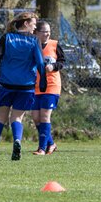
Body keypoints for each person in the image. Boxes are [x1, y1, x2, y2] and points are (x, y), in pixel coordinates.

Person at [0, 12, 47, 161]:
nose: (35, 27)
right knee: (17, 118)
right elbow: (40, 62)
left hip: (7, 84)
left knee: (1, 117)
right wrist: (43, 78)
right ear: (25, 24)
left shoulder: (6, 37)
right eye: (33, 23)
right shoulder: (34, 40)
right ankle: (17, 141)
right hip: (25, 86)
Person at [32, 21, 65, 155]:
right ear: (37, 33)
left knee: (45, 117)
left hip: (51, 85)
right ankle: (51, 143)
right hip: (36, 86)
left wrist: (53, 66)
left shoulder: (55, 45)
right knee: (35, 117)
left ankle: (42, 148)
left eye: (49, 31)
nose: (47, 33)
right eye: (44, 31)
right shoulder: (33, 45)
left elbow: (62, 62)